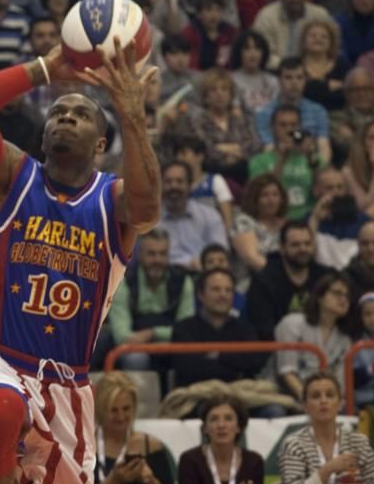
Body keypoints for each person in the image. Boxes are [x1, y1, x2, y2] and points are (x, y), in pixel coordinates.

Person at [0, 28, 160, 484]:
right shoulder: (10, 178)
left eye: (80, 115)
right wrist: (42, 69)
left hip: (68, 386)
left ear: (101, 144)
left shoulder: (112, 201)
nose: (65, 118)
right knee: (0, 409)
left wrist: (132, 113)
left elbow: (147, 209)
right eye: (58, 113)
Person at [278, 371, 374, 484]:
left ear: (340, 403)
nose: (323, 401)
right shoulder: (294, 445)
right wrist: (327, 469)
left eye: (330, 395)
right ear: (305, 406)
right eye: (315, 396)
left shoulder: (359, 443)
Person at [107, 228, 195, 370]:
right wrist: (162, 337)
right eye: (151, 254)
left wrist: (152, 334)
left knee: (190, 358)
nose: (157, 260)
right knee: (136, 359)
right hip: (135, 349)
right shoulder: (122, 280)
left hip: (172, 347)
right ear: (140, 255)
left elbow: (186, 332)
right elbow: (122, 337)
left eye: (162, 254)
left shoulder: (183, 281)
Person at [170, 268, 265, 388]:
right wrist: (234, 365)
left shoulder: (245, 328)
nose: (223, 295)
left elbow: (254, 363)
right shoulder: (183, 329)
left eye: (228, 290)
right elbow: (189, 369)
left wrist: (217, 354)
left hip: (241, 395)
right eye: (216, 289)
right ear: (201, 295)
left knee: (274, 407)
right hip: (198, 396)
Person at [246, 221, 332, 341]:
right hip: (278, 349)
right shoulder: (263, 281)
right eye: (295, 245)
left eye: (307, 244)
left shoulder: (326, 276)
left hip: (321, 345)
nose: (303, 249)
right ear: (282, 248)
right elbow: (263, 330)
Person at [93, 372, 176, 484]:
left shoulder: (151, 446)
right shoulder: (86, 448)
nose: (120, 417)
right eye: (113, 410)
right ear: (100, 410)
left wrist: (152, 482)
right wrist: (113, 481)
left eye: (126, 409)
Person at [275, 273, 354, 398]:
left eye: (347, 296)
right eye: (337, 293)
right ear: (320, 297)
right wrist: (310, 400)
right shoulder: (292, 324)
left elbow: (340, 383)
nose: (343, 300)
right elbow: (287, 373)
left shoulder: (345, 339)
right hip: (284, 393)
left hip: (323, 400)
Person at [177, 394, 264, 484]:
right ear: (205, 428)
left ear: (238, 427)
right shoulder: (190, 461)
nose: (221, 425)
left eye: (228, 418)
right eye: (214, 419)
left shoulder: (254, 462)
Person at [249, 104, 324, 220]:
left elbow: (321, 191)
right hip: (275, 218)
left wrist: (310, 156)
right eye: (283, 125)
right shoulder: (258, 161)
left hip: (308, 217)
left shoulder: (313, 158)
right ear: (272, 127)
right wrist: (282, 158)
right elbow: (262, 192)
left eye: (293, 125)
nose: (289, 130)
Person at [255, 57, 332, 164]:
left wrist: (320, 168)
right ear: (279, 80)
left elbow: (324, 148)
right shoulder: (264, 113)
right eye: (288, 77)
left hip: (310, 165)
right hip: (277, 165)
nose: (294, 83)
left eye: (299, 77)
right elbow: (268, 149)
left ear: (306, 80)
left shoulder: (318, 111)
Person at [252, 0, 334, 68]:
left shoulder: (320, 15)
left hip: (314, 71)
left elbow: (331, 50)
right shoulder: (266, 16)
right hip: (275, 72)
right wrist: (292, 68)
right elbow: (262, 53)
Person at [158, 160, 228, 270]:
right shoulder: (149, 221)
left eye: (180, 181)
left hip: (203, 273)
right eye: (168, 181)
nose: (174, 186)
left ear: (190, 185)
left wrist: (201, 263)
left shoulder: (210, 216)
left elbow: (220, 253)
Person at [231, 174, 288, 274]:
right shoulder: (244, 221)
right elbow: (250, 257)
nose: (271, 200)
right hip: (253, 279)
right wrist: (279, 276)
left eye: (275, 195)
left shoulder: (287, 225)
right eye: (265, 195)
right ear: (254, 198)